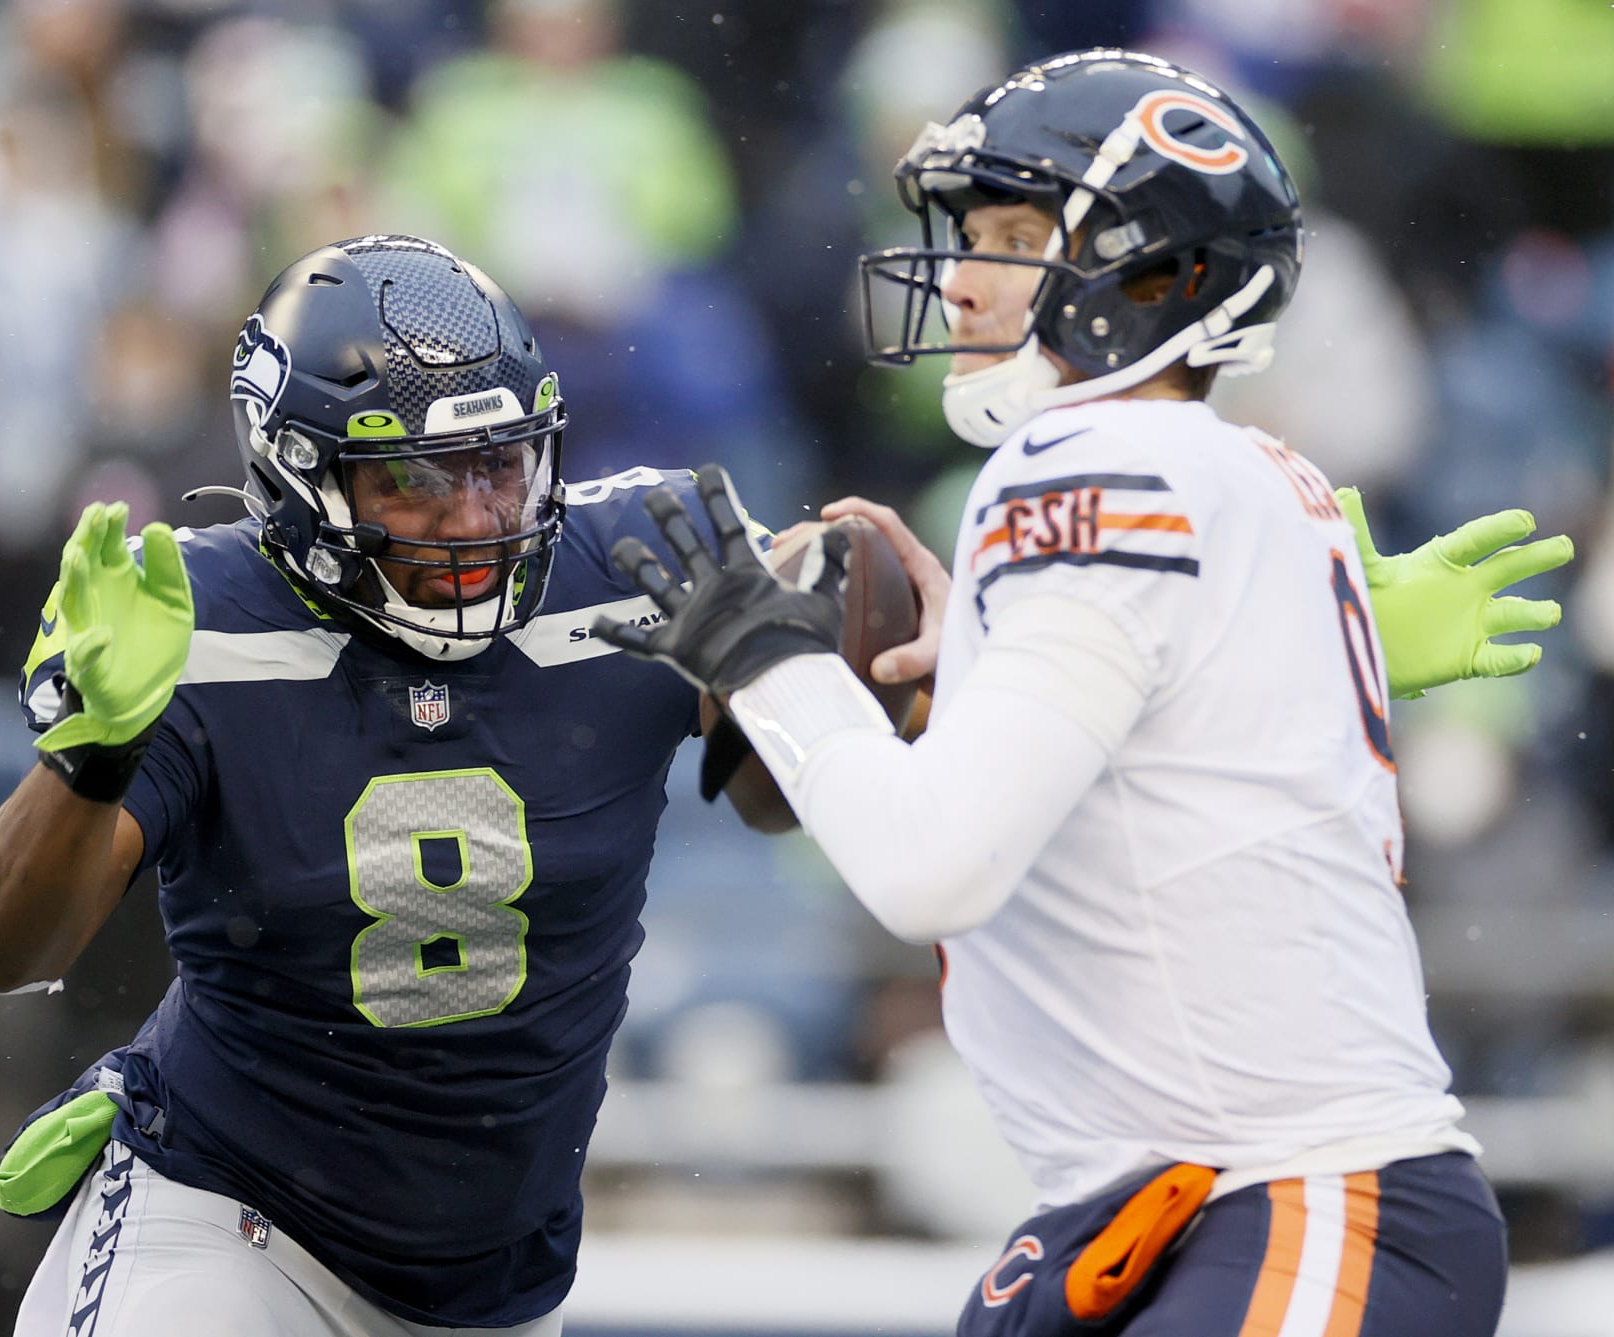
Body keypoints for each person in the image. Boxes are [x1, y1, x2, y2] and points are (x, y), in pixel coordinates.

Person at [593, 49, 1573, 1337]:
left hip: (1281, 1189)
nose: (963, 275)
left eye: (1010, 236)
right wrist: (976, 664)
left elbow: (934, 869)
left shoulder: (1090, 459)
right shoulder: (1241, 465)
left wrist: (761, 655)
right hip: (1161, 1206)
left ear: (1157, 273)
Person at [0, 234, 741, 1336]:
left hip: (498, 1287)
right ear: (298, 474)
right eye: (417, 476)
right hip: (232, 1223)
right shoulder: (197, 618)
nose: (474, 517)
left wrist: (829, 643)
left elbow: (776, 794)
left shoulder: (645, 557)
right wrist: (88, 756)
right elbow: (10, 951)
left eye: (499, 462)